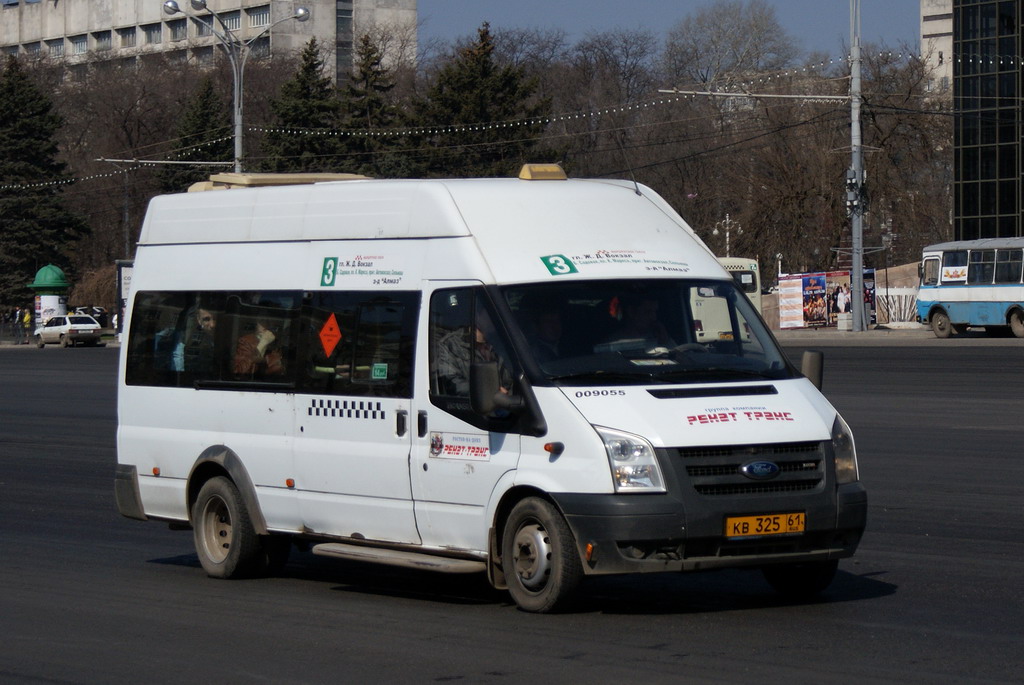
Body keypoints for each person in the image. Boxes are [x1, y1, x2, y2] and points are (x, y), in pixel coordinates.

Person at [606, 294, 674, 348]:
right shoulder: (613, 343)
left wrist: (665, 342)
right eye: (647, 312)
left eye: (655, 312)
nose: (654, 318)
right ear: (631, 312)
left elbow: (679, 359)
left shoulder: (659, 337)